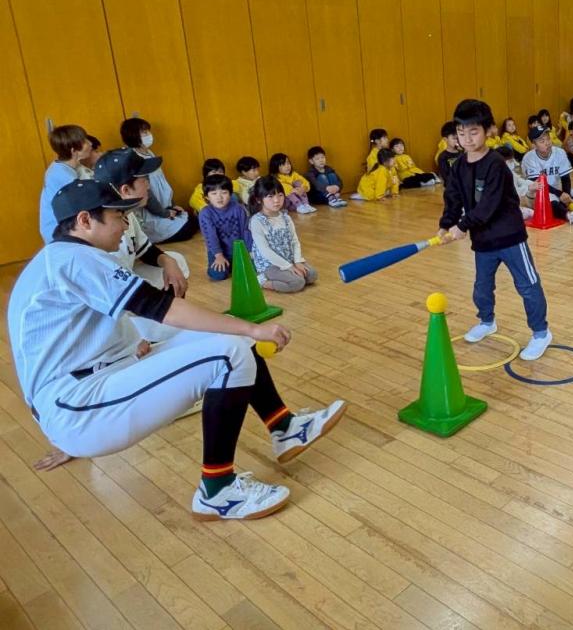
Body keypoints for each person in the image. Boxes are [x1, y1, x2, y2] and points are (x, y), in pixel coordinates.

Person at [9, 177, 346, 519]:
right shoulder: (73, 259)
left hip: (90, 387)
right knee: (228, 354)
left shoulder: (61, 258)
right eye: (117, 217)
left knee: (234, 337)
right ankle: (218, 490)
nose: (125, 225)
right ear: (84, 220)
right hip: (79, 406)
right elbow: (163, 309)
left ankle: (284, 427)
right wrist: (254, 328)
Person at [439, 99, 553, 361]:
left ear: (489, 130)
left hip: (510, 237)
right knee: (482, 286)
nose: (467, 139)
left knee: (527, 285)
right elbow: (453, 197)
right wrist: (446, 223)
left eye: (473, 132)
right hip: (483, 241)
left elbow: (487, 205)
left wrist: (462, 226)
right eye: (461, 133)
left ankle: (541, 333)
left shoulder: (496, 164)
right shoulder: (458, 167)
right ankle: (487, 321)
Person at [92, 148, 190, 294]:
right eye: (144, 180)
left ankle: (171, 307)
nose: (148, 186)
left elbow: (146, 251)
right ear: (125, 190)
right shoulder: (104, 229)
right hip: (109, 294)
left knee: (176, 260)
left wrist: (167, 261)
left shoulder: (127, 213)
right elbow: (113, 287)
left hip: (124, 277)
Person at [120, 117, 197, 244]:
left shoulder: (149, 152)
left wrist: (172, 205)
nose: (148, 135)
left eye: (148, 131)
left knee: (193, 220)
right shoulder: (132, 159)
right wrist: (164, 213)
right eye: (144, 132)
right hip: (152, 214)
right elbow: (147, 194)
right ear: (133, 135)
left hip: (165, 208)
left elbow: (163, 183)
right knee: (188, 229)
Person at [249, 176, 318, 293]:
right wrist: (289, 267)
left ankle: (290, 273)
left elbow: (294, 241)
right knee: (297, 282)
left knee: (312, 275)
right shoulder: (256, 221)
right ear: (259, 199)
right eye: (270, 196)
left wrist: (297, 261)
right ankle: (262, 281)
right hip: (270, 265)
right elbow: (265, 251)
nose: (276, 200)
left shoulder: (286, 217)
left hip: (288, 259)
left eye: (280, 195)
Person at [520, 125, 573, 225]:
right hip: (538, 192)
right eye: (542, 141)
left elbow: (565, 178)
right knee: (550, 199)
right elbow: (537, 182)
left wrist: (566, 195)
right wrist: (560, 194)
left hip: (557, 190)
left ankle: (558, 208)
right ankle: (568, 215)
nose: (547, 143)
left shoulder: (559, 152)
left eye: (548, 139)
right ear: (534, 144)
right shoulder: (529, 158)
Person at [39, 124, 92, 243]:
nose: (90, 143)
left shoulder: (61, 166)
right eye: (85, 141)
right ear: (73, 151)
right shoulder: (63, 176)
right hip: (60, 234)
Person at [199, 175, 251, 281]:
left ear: (231, 194)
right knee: (218, 275)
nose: (219, 197)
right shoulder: (205, 213)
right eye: (214, 193)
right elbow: (210, 237)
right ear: (207, 197)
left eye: (224, 192)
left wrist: (249, 252)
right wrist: (218, 256)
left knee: (254, 270)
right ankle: (227, 266)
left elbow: (246, 231)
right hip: (218, 252)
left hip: (239, 250)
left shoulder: (238, 209)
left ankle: (232, 266)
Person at [437, 121, 463, 187]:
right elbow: (446, 176)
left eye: (459, 138)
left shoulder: (463, 153)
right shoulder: (443, 157)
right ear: (445, 139)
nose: (457, 141)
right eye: (454, 138)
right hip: (452, 188)